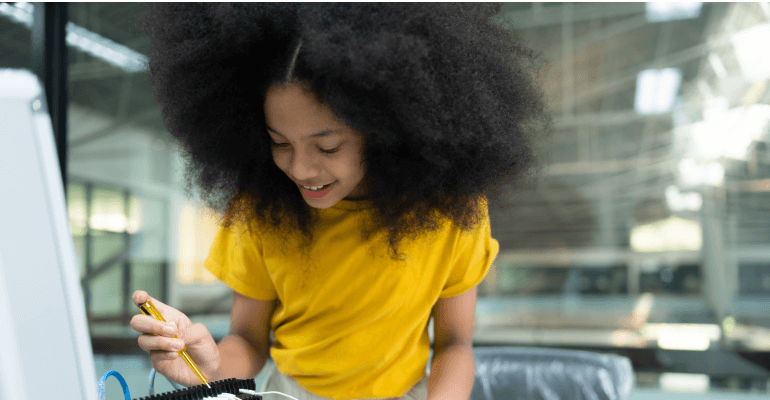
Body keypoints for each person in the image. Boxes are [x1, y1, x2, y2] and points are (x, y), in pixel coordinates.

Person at [130, 3, 551, 400]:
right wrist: (207, 369)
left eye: (327, 147)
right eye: (279, 143)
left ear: (385, 130)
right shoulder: (261, 211)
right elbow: (248, 338)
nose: (300, 169)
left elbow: (455, 345)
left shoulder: (452, 212)